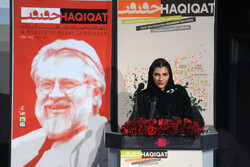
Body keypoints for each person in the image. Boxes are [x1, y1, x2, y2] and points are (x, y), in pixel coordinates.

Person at [12, 39, 108, 167]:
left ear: (95, 93)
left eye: (68, 84)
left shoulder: (105, 145)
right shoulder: (17, 147)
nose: (55, 94)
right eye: (46, 84)